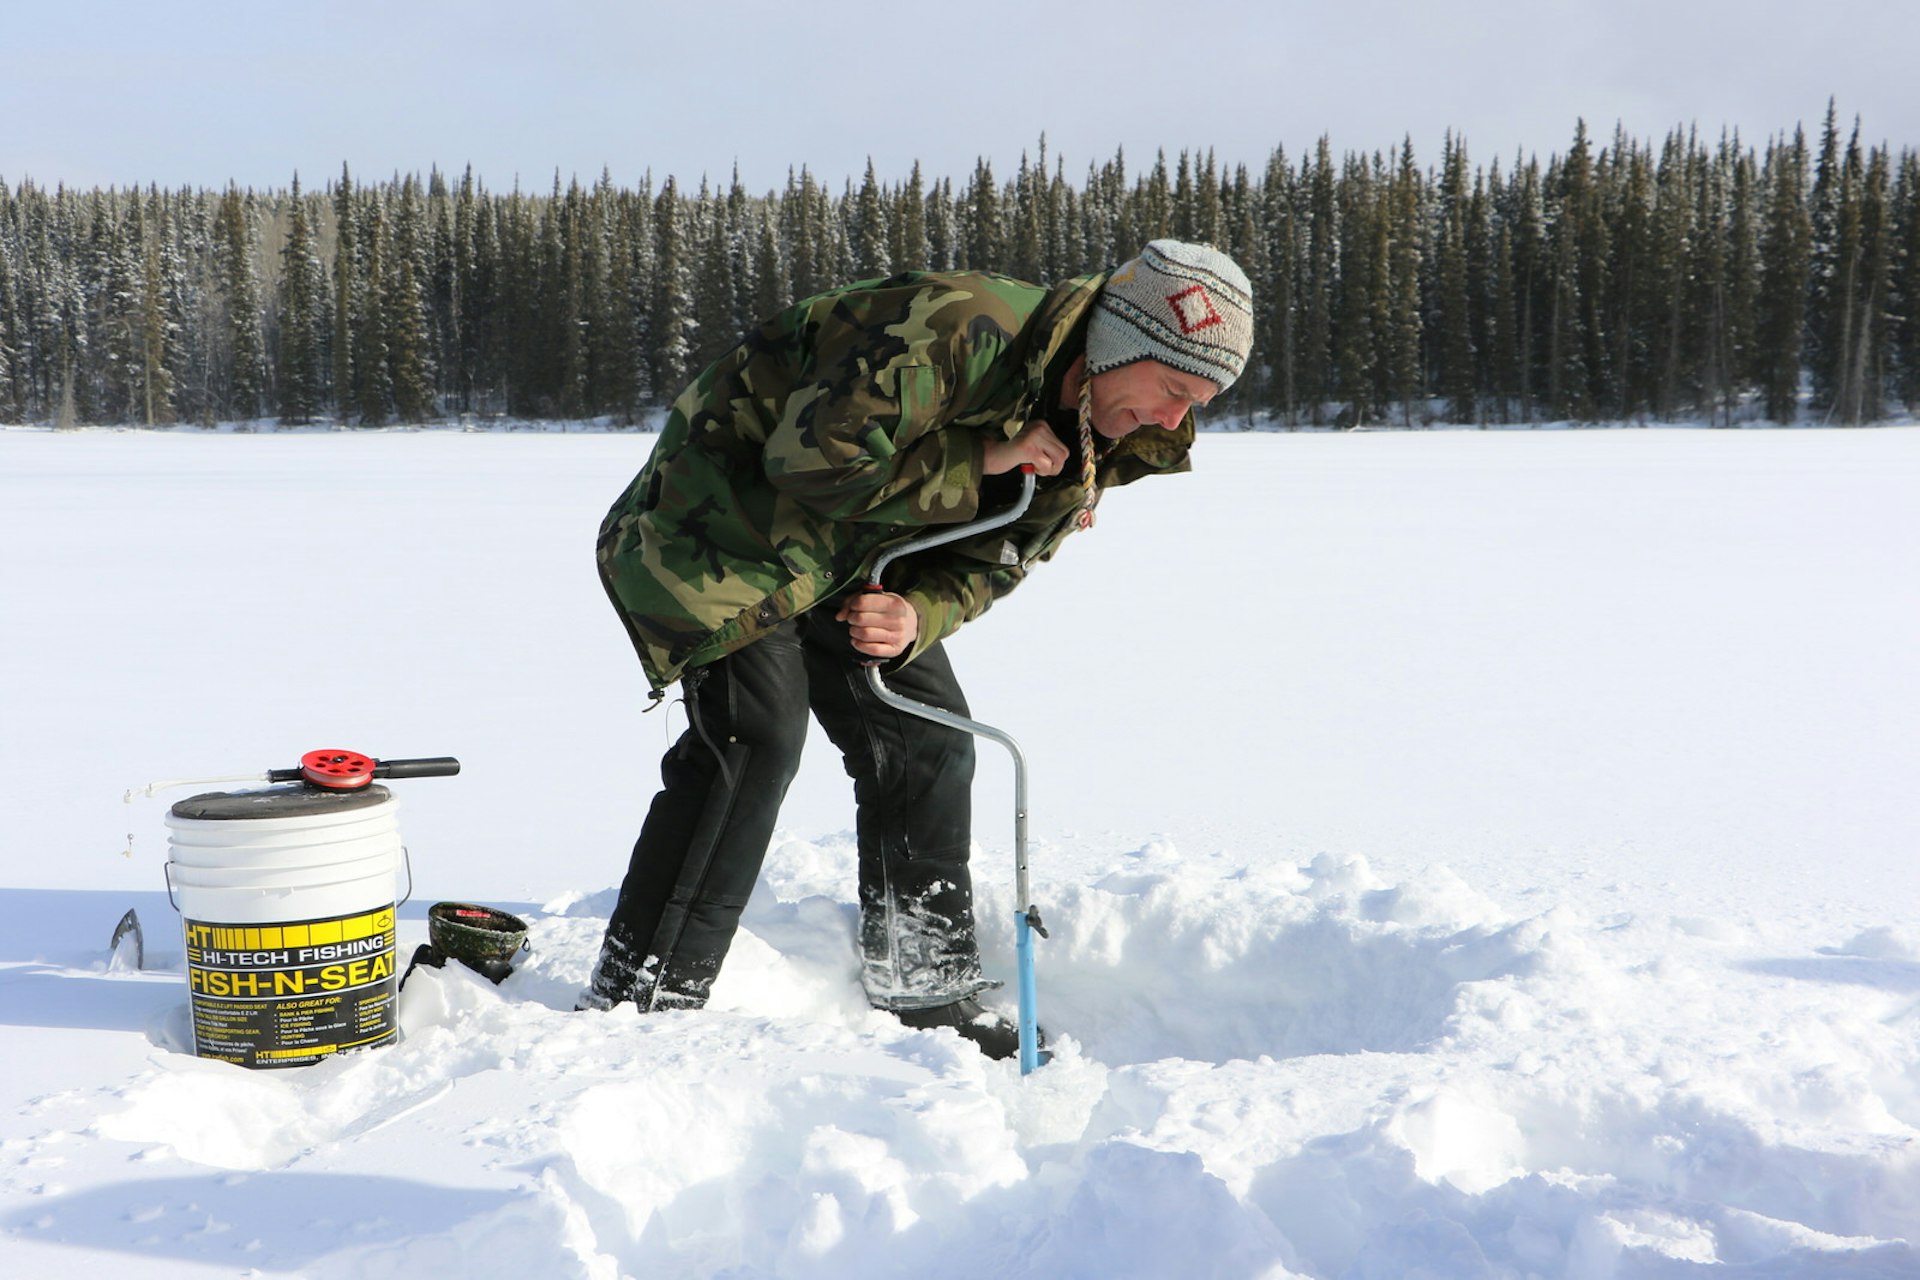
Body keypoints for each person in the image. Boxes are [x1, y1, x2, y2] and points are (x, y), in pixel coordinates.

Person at [581, 240, 1254, 1057]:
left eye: (1200, 404)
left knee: (929, 743)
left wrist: (914, 611)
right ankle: (642, 1002)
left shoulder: (1105, 431)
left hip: (853, 561)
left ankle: (925, 989)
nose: (1174, 420)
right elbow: (811, 461)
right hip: (715, 525)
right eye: (1173, 389)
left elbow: (1001, 555)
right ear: (1124, 341)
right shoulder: (961, 326)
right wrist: (986, 457)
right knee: (755, 737)